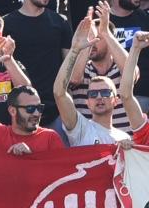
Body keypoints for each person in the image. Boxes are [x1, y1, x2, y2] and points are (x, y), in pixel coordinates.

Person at [0, 40, 64, 155]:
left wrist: (32, 156)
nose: (37, 113)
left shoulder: (50, 137)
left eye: (39, 108)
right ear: (12, 110)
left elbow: (60, 170)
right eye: (30, 109)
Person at [53, 9, 132, 147]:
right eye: (93, 94)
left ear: (116, 100)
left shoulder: (124, 138)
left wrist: (106, 33)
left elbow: (131, 72)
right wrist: (77, 48)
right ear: (88, 101)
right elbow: (63, 89)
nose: (99, 97)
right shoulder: (81, 128)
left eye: (106, 93)